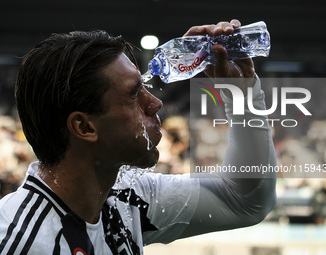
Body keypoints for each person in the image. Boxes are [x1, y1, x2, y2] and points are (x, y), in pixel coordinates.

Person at [0, 19, 277, 254]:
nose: (155, 103)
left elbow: (243, 199)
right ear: (84, 127)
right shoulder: (21, 242)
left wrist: (241, 93)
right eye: (134, 94)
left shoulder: (123, 196)